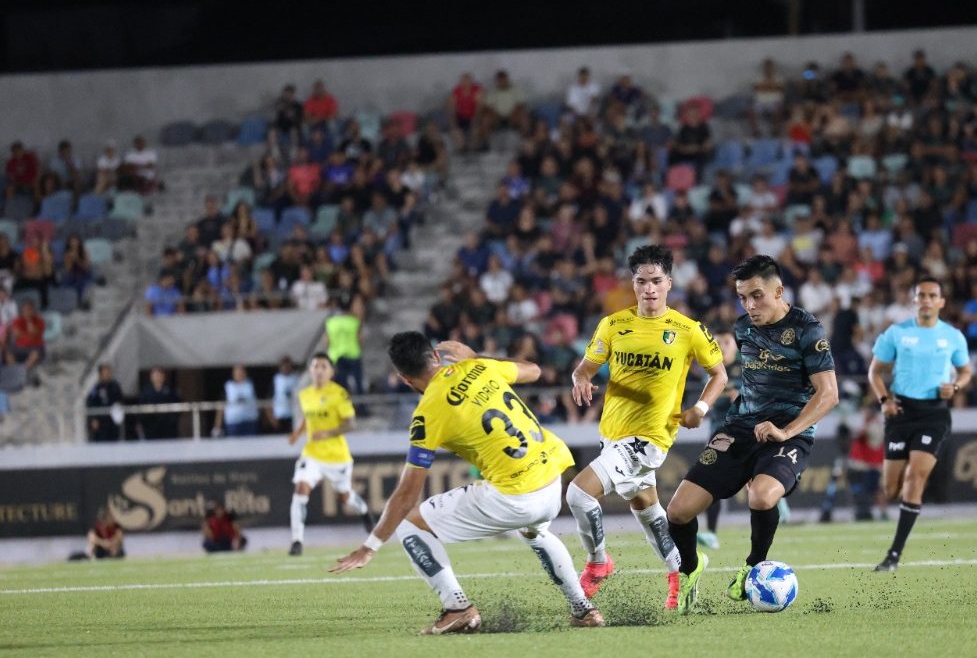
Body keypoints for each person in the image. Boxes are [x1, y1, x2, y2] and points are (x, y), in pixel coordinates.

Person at [331, 333, 604, 634]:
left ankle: (457, 608)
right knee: (535, 532)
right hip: (552, 479)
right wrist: (477, 357)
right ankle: (583, 609)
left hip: (515, 495)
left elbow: (407, 493)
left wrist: (370, 546)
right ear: (435, 356)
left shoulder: (427, 413)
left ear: (406, 380)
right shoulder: (479, 368)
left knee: (410, 523)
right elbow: (534, 370)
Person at [664, 255, 839, 614]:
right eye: (743, 297)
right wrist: (705, 406)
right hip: (739, 429)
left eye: (757, 296)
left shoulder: (808, 330)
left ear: (779, 291)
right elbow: (737, 376)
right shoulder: (743, 328)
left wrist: (785, 430)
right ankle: (691, 567)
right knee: (678, 512)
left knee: (761, 497)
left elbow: (829, 394)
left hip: (789, 433)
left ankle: (752, 566)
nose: (749, 305)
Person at [565, 245, 729, 609]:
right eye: (642, 281)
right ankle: (683, 568)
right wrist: (580, 378)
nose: (649, 289)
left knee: (578, 494)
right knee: (648, 511)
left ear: (669, 283)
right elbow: (585, 368)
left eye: (656, 281)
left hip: (650, 438)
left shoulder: (688, 330)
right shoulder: (613, 324)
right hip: (613, 435)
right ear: (633, 284)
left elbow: (719, 374)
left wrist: (700, 407)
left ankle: (598, 563)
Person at [869, 276, 973, 572]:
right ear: (914, 300)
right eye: (921, 295)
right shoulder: (896, 333)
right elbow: (874, 372)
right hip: (901, 412)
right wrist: (884, 401)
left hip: (934, 414)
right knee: (891, 489)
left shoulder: (952, 336)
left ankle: (893, 556)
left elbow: (965, 371)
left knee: (916, 478)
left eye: (932, 295)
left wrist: (955, 387)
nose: (926, 300)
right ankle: (907, 506)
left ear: (941, 302)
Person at [288, 353, 374, 555]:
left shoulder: (339, 393)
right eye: (315, 366)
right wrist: (297, 433)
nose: (318, 370)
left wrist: (327, 432)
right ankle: (296, 541)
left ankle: (364, 512)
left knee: (345, 497)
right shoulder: (305, 394)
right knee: (301, 488)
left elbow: (351, 424)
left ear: (331, 372)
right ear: (310, 370)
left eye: (323, 367)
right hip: (311, 453)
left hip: (337, 456)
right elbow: (307, 420)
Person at [325, 298, 365, 394]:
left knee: (341, 385)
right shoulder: (354, 321)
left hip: (336, 356)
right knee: (357, 383)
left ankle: (342, 406)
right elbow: (360, 339)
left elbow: (326, 341)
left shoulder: (330, 322)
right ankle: (361, 407)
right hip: (353, 355)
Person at [214, 364, 259, 437]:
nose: (240, 374)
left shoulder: (251, 385)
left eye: (241, 372)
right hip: (233, 423)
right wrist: (217, 426)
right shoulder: (228, 386)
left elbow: (262, 403)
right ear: (233, 374)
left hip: (250, 422)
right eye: (237, 372)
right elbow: (221, 407)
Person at [86, 364, 125, 442]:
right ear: (101, 374)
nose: (107, 374)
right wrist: (93, 419)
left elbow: (120, 400)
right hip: (101, 422)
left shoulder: (115, 386)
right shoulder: (96, 388)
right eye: (105, 372)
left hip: (113, 421)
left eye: (108, 372)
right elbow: (91, 403)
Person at [268, 355, 299, 434]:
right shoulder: (276, 379)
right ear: (280, 367)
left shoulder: (296, 378)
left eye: (288, 366)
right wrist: (271, 418)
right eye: (283, 366)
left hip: (293, 415)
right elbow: (268, 399)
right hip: (279, 415)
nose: (286, 368)